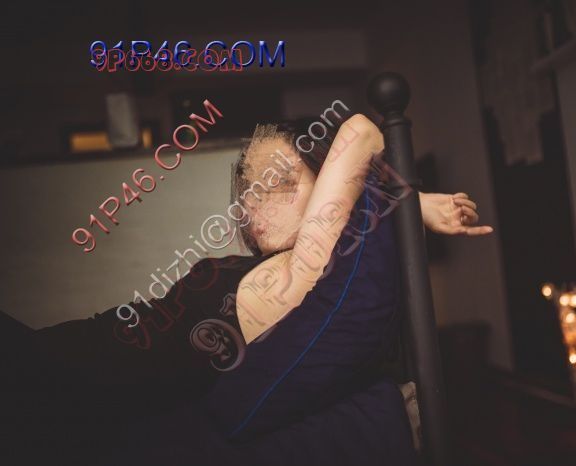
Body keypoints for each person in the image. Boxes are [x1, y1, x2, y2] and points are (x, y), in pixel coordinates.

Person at [0, 113, 492, 465]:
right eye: (249, 187)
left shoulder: (303, 271)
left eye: (279, 182)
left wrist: (409, 203)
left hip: (72, 378)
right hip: (73, 359)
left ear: (328, 180)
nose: (255, 202)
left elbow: (360, 131)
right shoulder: (268, 266)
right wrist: (413, 207)